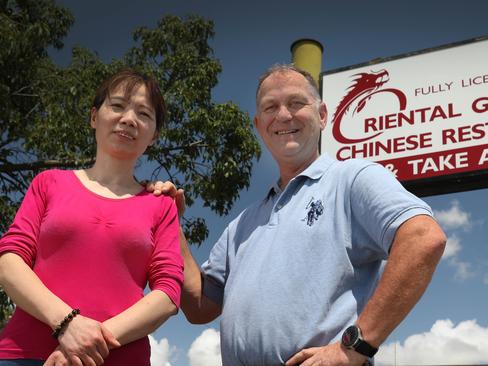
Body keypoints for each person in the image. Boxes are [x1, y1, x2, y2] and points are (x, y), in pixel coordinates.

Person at [153, 64, 447, 365]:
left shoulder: (353, 178)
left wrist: (355, 345)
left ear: (322, 115)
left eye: (296, 103)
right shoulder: (241, 224)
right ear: (258, 124)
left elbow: (423, 238)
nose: (283, 115)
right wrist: (169, 223)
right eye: (270, 107)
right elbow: (200, 307)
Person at [0, 69, 184, 366]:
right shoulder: (48, 183)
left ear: (154, 136)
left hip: (119, 359)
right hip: (25, 355)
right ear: (94, 117)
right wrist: (66, 323)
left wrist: (88, 343)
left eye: (144, 114)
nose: (128, 119)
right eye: (117, 105)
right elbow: (9, 260)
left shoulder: (161, 205)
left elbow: (168, 293)